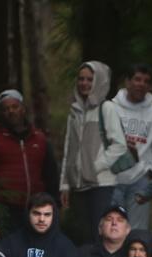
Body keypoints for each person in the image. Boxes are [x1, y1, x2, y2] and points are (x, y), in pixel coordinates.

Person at [95, 63, 152, 235]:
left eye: (146, 81)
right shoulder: (110, 108)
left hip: (139, 180)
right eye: (137, 79)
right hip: (113, 178)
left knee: (137, 232)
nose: (140, 84)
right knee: (112, 229)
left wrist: (150, 171)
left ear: (150, 87)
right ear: (127, 82)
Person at [0, 90, 61, 232]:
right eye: (6, 109)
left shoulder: (40, 140)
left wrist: (55, 202)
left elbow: (51, 174)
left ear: (23, 109)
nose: (11, 111)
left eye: (14, 107)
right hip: (6, 210)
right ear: (1, 113)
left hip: (37, 208)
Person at [58, 61, 113, 231]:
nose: (84, 83)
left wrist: (96, 166)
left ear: (99, 81)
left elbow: (118, 146)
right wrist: (65, 184)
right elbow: (68, 149)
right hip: (78, 185)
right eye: (81, 79)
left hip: (101, 185)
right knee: (83, 234)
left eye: (90, 79)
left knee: (101, 233)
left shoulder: (107, 108)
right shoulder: (74, 111)